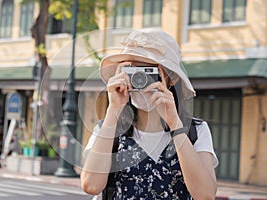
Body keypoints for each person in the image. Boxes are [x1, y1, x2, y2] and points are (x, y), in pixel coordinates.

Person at [81, 29, 218, 200]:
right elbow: (91, 185)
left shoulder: (196, 131)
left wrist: (175, 124)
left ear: (171, 78)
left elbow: (205, 195)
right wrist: (113, 110)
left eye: (147, 71)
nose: (139, 79)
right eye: (131, 71)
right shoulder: (107, 129)